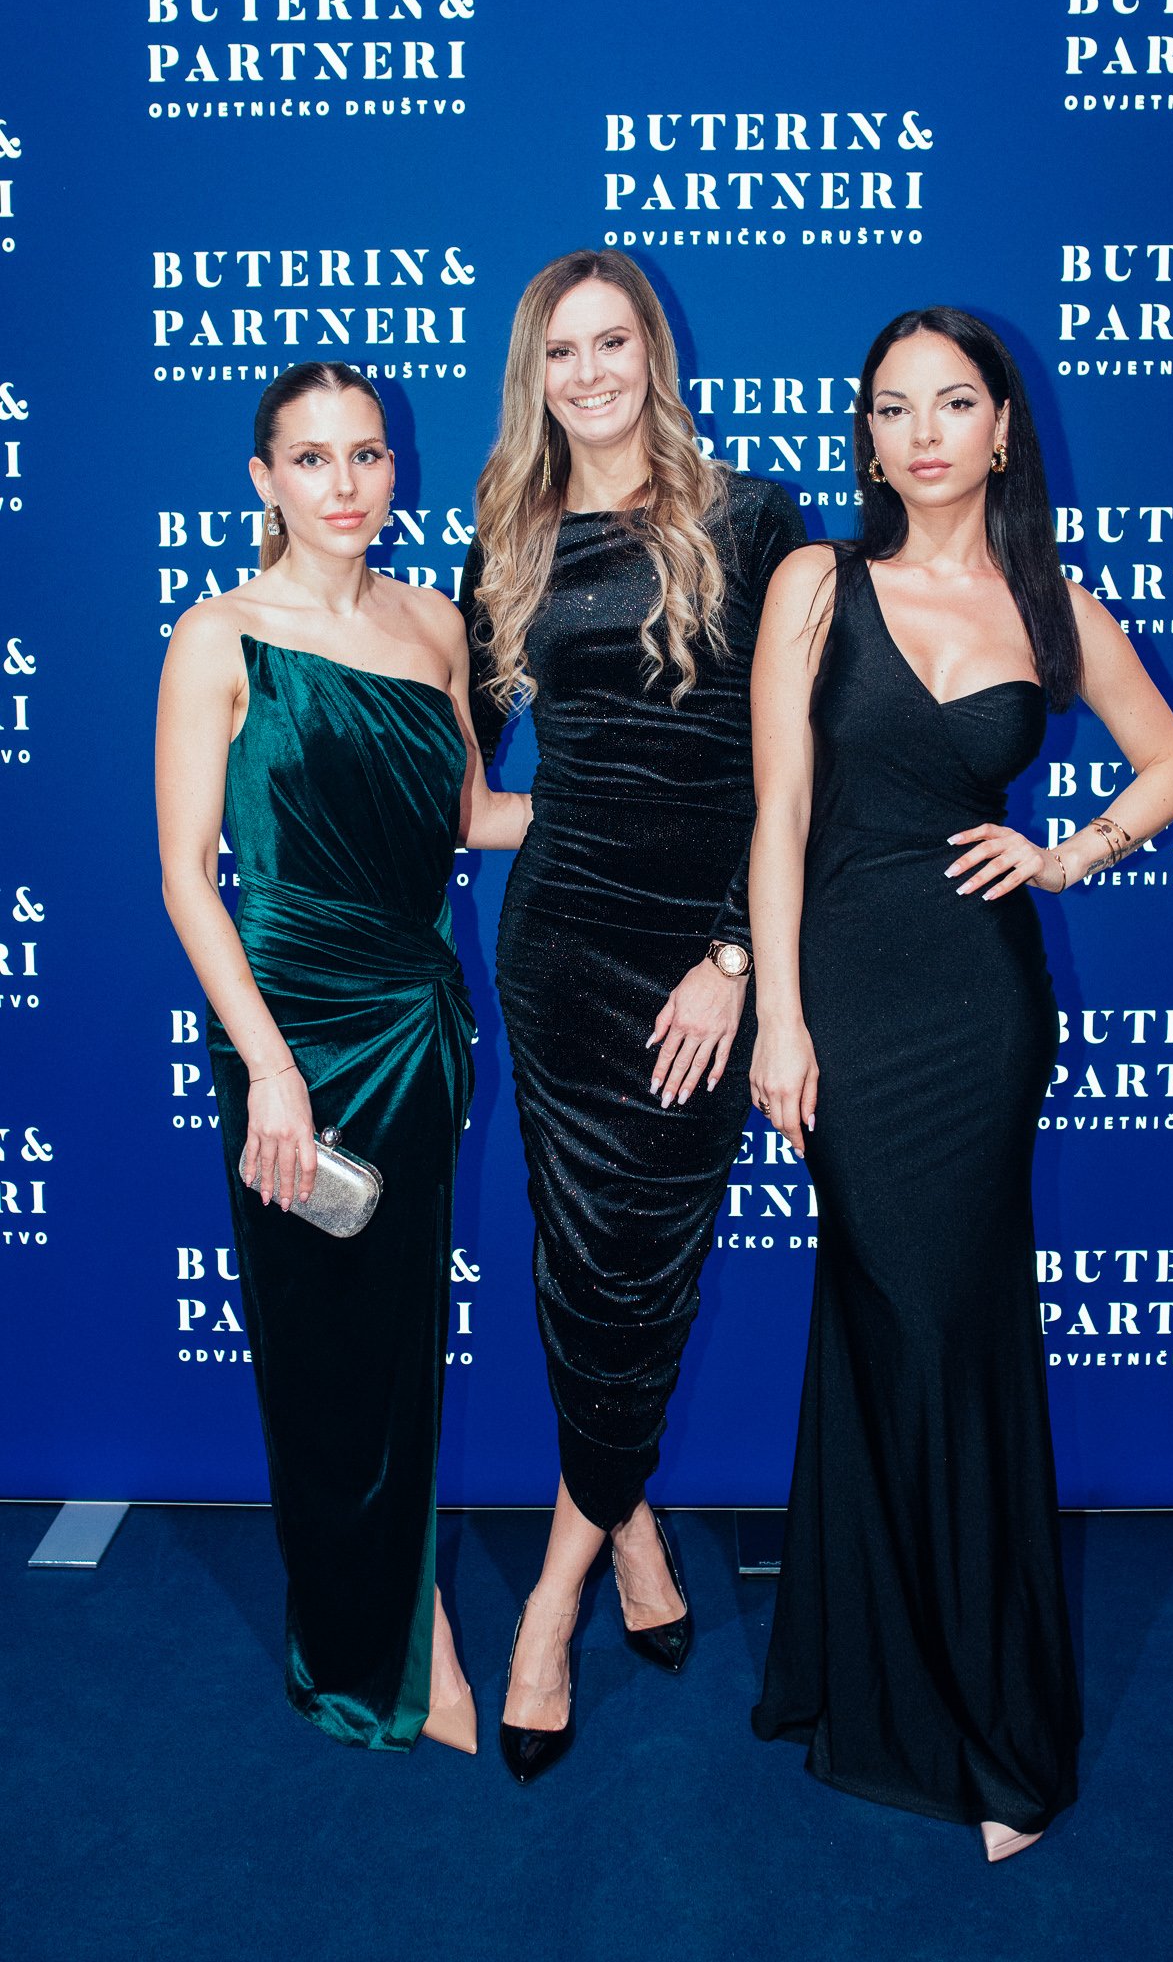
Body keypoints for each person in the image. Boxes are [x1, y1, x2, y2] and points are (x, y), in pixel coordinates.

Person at [747, 308, 1173, 1858]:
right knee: (890, 1320)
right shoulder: (814, 584)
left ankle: (975, 1718)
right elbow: (777, 819)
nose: (923, 431)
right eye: (892, 407)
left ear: (1002, 428)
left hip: (980, 1011)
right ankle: (878, 1677)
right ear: (863, 434)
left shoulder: (1052, 604)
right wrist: (778, 1019)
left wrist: (1065, 853)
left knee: (951, 1331)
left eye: (954, 403)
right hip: (847, 1011)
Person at [461, 249, 806, 1782]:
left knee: (637, 1273)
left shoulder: (749, 518)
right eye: (561, 352)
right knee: (574, 1266)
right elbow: (470, 792)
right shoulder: (509, 538)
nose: (589, 372)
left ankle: (549, 1606)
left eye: (612, 343)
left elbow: (796, 773)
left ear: (651, 354)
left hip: (702, 962)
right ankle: (637, 1540)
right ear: (533, 375)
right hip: (559, 957)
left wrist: (734, 954)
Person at [156, 361, 529, 1754]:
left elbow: (476, 819)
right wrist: (266, 1066)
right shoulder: (218, 637)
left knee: (396, 1336)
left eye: (365, 455)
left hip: (415, 1024)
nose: (345, 483)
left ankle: (413, 1604)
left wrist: (654, 821)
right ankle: (370, 1644)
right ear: (262, 482)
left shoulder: (436, 627)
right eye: (310, 460)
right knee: (316, 1349)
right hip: (286, 1032)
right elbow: (191, 878)